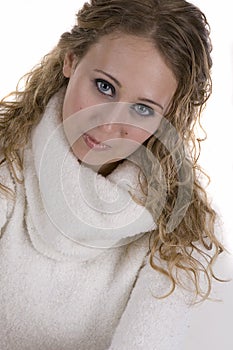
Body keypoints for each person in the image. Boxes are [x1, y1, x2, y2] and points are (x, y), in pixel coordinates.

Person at [0, 0, 226, 349]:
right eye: (104, 86)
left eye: (142, 108)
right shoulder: (6, 160)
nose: (108, 124)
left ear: (167, 119)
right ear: (71, 60)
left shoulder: (179, 236)